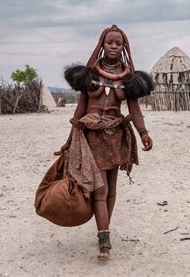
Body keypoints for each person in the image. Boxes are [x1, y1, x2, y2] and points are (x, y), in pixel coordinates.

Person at [57, 24, 153, 260]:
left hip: (116, 137)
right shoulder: (89, 76)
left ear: (124, 47)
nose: (113, 46)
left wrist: (143, 133)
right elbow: (80, 110)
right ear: (102, 44)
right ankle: (104, 244)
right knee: (101, 190)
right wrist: (70, 141)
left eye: (118, 43)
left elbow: (134, 109)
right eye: (109, 42)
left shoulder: (129, 79)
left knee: (111, 189)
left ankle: (103, 231)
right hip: (92, 137)